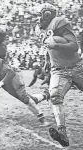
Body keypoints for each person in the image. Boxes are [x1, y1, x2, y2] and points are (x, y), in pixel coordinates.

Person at [37, 3, 83, 147]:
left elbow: (74, 46)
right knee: (55, 96)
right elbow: (47, 47)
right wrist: (47, 61)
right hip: (58, 69)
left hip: (76, 67)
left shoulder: (59, 22)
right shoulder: (42, 30)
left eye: (42, 14)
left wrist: (56, 46)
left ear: (47, 14)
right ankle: (62, 133)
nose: (39, 18)